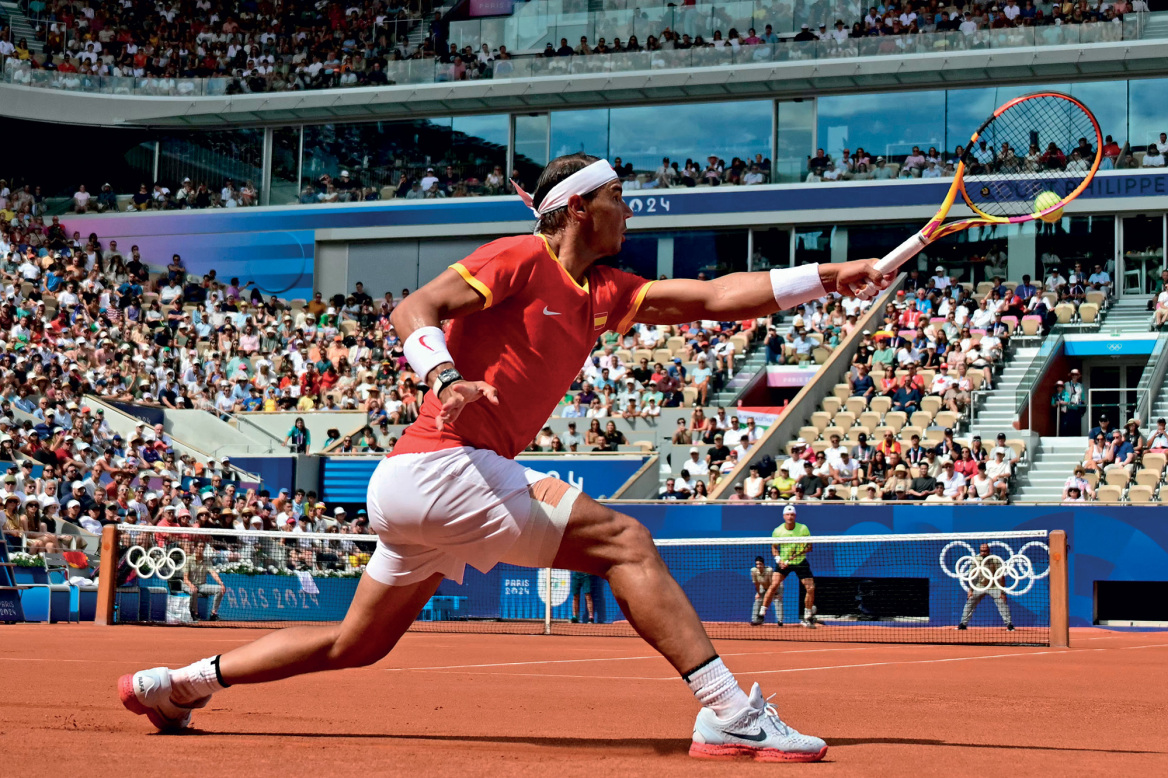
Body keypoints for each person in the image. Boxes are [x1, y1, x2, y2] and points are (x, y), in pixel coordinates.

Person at [120, 153, 887, 761]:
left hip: (414, 489)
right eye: (620, 197)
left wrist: (829, 276)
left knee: (356, 644)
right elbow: (411, 310)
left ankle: (178, 685)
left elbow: (719, 298)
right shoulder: (520, 257)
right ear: (580, 208)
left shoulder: (605, 292)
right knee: (627, 543)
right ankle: (730, 712)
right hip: (443, 465)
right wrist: (445, 376)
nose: (632, 210)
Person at [758, 505, 816, 628]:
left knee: (810, 588)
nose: (790, 517)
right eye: (788, 515)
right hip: (783, 562)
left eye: (792, 515)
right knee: (773, 585)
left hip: (800, 562)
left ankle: (807, 616)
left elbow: (809, 546)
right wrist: (779, 561)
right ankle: (761, 615)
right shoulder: (778, 531)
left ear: (795, 516)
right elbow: (774, 548)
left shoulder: (803, 529)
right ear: (784, 516)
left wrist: (801, 552)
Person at [956, 544, 1014, 631]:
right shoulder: (976, 559)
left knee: (1002, 603)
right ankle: (963, 624)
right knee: (970, 602)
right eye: (981, 551)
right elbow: (971, 575)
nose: (983, 553)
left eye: (985, 551)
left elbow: (1001, 576)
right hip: (979, 586)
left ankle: (1009, 624)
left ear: (988, 551)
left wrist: (1002, 592)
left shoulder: (995, 559)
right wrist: (970, 590)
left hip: (993, 586)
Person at [183, 543, 226, 621]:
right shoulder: (188, 559)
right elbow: (185, 578)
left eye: (203, 547)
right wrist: (191, 585)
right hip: (188, 584)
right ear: (195, 548)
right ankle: (194, 613)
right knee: (193, 591)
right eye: (199, 546)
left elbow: (213, 572)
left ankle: (213, 614)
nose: (201, 549)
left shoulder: (206, 560)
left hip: (202, 585)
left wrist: (221, 583)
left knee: (219, 589)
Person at [749, 556, 777, 625]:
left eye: (760, 564)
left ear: (763, 564)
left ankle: (780, 622)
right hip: (762, 585)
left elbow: (772, 583)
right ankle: (755, 620)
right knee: (758, 600)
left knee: (777, 600)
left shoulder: (769, 570)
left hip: (774, 586)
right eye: (757, 564)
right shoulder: (753, 571)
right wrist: (758, 593)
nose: (758, 566)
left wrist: (775, 593)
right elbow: (756, 584)